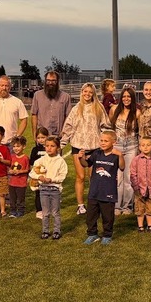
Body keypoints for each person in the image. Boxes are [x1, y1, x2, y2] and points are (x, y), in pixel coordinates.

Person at [60, 83, 110, 215]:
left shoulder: (99, 108)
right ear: (82, 92)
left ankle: (94, 203)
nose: (87, 94)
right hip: (78, 146)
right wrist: (62, 144)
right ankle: (80, 205)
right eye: (85, 91)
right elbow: (68, 127)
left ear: (93, 93)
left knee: (93, 177)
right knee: (80, 176)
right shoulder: (76, 108)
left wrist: (106, 141)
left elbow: (105, 125)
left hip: (95, 147)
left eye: (90, 92)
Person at [79, 130, 124, 245]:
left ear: (114, 142)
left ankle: (107, 235)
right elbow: (86, 164)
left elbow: (122, 167)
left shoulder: (115, 156)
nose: (103, 143)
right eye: (101, 140)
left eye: (106, 141)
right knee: (91, 216)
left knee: (107, 216)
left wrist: (120, 155)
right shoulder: (97, 154)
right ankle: (92, 234)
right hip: (94, 191)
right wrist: (81, 158)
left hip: (108, 192)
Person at [109, 86, 141, 215]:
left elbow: (140, 131)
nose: (126, 99)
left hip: (132, 147)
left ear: (132, 98)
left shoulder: (137, 113)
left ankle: (127, 205)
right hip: (117, 147)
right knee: (117, 177)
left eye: (129, 96)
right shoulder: (114, 109)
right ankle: (117, 205)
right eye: (124, 96)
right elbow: (109, 127)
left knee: (128, 177)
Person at [30, 136, 67, 240]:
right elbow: (32, 172)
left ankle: (56, 231)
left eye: (52, 146)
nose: (49, 148)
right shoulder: (41, 160)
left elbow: (62, 176)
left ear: (58, 148)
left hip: (55, 189)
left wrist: (52, 180)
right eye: (47, 146)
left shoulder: (60, 161)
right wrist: (39, 177)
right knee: (45, 213)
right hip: (43, 189)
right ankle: (45, 231)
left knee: (55, 212)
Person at [129, 136, 151, 232]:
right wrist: (135, 187)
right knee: (140, 208)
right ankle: (140, 226)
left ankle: (150, 225)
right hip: (140, 188)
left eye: (148, 145)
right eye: (143, 145)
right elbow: (133, 173)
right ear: (139, 147)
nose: (145, 147)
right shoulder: (136, 159)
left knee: (150, 207)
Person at [29, 71, 72, 138]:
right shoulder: (37, 95)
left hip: (58, 135)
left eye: (53, 80)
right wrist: (35, 132)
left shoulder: (65, 97)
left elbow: (68, 116)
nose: (50, 83)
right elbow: (34, 114)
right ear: (45, 81)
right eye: (48, 80)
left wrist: (63, 131)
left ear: (57, 81)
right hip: (42, 135)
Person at [29, 127, 50, 219]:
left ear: (47, 137)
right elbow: (31, 162)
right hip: (38, 175)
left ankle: (48, 209)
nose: (41, 140)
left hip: (48, 174)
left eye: (43, 137)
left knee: (49, 191)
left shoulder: (50, 148)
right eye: (39, 138)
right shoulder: (35, 149)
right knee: (38, 192)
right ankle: (39, 210)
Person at [7, 136, 30, 217]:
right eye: (14, 146)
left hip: (21, 183)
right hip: (12, 182)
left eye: (18, 146)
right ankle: (13, 210)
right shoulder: (12, 157)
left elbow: (27, 170)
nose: (15, 148)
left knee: (20, 198)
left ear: (23, 146)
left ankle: (21, 210)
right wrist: (10, 171)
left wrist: (19, 171)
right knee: (12, 198)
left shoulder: (25, 158)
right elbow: (9, 166)